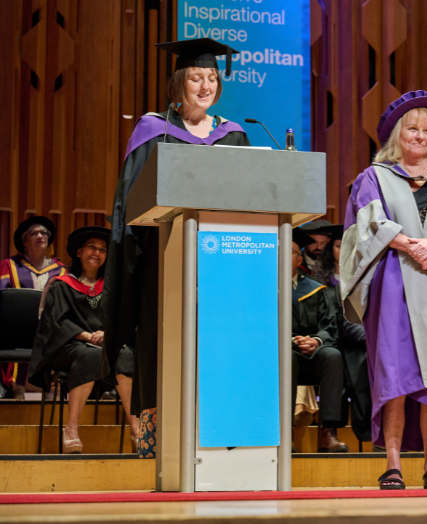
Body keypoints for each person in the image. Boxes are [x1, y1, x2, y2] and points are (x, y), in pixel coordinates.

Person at [102, 38, 250, 455]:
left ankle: (216, 440)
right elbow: (130, 201)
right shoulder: (153, 131)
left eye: (212, 78)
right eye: (196, 78)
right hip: (164, 264)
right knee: (163, 343)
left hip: (220, 264)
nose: (206, 86)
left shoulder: (233, 135)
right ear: (179, 83)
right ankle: (163, 444)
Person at [340, 91, 427, 489]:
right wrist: (412, 246)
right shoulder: (375, 177)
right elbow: (367, 223)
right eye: (412, 129)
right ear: (397, 136)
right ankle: (393, 463)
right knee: (394, 374)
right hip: (393, 285)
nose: (419, 136)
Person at [29, 227, 140, 453]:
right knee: (91, 355)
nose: (97, 252)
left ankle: (136, 429)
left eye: (102, 249)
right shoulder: (61, 285)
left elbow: (124, 319)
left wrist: (109, 335)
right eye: (92, 247)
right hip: (69, 346)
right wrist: (87, 335)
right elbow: (55, 323)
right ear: (79, 252)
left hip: (105, 345)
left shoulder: (111, 288)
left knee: (127, 356)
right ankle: (71, 429)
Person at [289, 228, 348, 453]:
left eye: (292, 252)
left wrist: (316, 340)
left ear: (299, 258)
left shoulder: (315, 288)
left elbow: (330, 323)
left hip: (312, 349)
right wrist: (292, 340)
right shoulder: (263, 287)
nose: (284, 256)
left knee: (332, 356)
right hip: (283, 351)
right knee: (286, 359)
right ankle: (286, 433)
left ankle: (328, 433)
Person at [317, 225, 372, 443]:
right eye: (340, 246)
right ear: (331, 249)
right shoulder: (318, 282)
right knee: (340, 357)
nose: (345, 250)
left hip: (358, 340)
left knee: (365, 356)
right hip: (330, 340)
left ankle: (372, 428)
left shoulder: (366, 279)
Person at [0, 216, 67, 398]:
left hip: (49, 331)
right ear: (25, 241)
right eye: (34, 233)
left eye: (44, 233)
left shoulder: (60, 271)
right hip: (15, 332)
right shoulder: (9, 266)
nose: (40, 236)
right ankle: (16, 389)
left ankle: (50, 390)